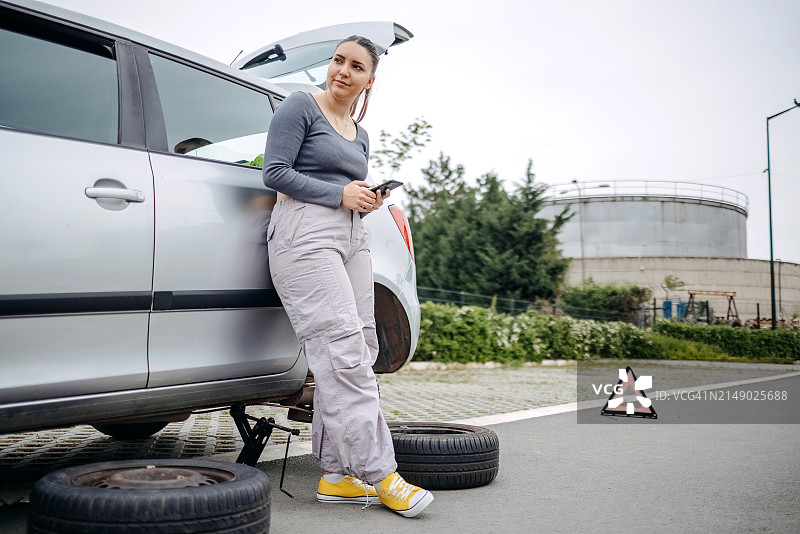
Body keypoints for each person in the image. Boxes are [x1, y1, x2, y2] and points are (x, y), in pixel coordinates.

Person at [262, 35, 433, 518]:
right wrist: (338, 195)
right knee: (340, 352)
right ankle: (381, 476)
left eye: (356, 66)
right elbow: (274, 172)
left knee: (361, 347)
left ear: (369, 80)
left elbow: (345, 185)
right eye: (338, 60)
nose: (343, 71)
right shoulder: (299, 107)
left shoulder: (359, 133)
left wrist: (364, 197)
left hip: (352, 235)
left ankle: (337, 475)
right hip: (305, 231)